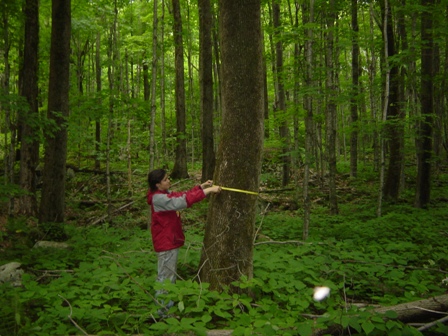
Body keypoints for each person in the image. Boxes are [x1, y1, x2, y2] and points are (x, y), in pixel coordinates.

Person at [146, 169, 221, 313]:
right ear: (157, 184)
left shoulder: (164, 194)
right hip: (166, 243)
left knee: (168, 276)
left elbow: (182, 195)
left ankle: (165, 308)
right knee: (166, 277)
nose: (169, 181)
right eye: (165, 180)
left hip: (170, 240)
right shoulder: (158, 198)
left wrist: (201, 187)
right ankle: (162, 312)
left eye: (168, 178)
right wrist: (210, 190)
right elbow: (181, 202)